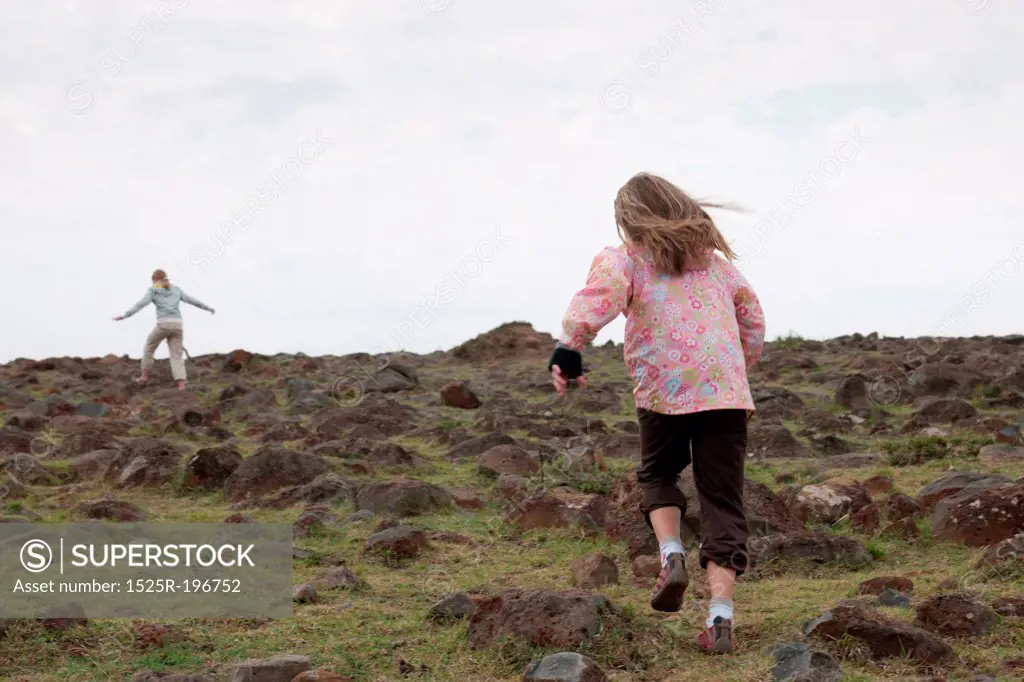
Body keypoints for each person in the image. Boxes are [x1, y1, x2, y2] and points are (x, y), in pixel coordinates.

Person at [547, 172, 765, 654]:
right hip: (725, 394)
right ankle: (721, 619)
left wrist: (570, 348)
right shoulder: (720, 268)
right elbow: (752, 319)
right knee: (723, 502)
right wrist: (736, 374)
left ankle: (671, 555)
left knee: (658, 474)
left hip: (664, 392)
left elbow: (597, 301)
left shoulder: (624, 260)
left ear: (630, 219)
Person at [113, 269, 215, 391]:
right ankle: (181, 385)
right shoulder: (176, 289)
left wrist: (125, 315)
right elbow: (192, 300)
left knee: (149, 347)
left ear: (154, 280)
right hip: (178, 325)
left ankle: (144, 377)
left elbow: (140, 304)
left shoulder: (153, 290)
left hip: (163, 325)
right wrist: (208, 308)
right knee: (176, 355)